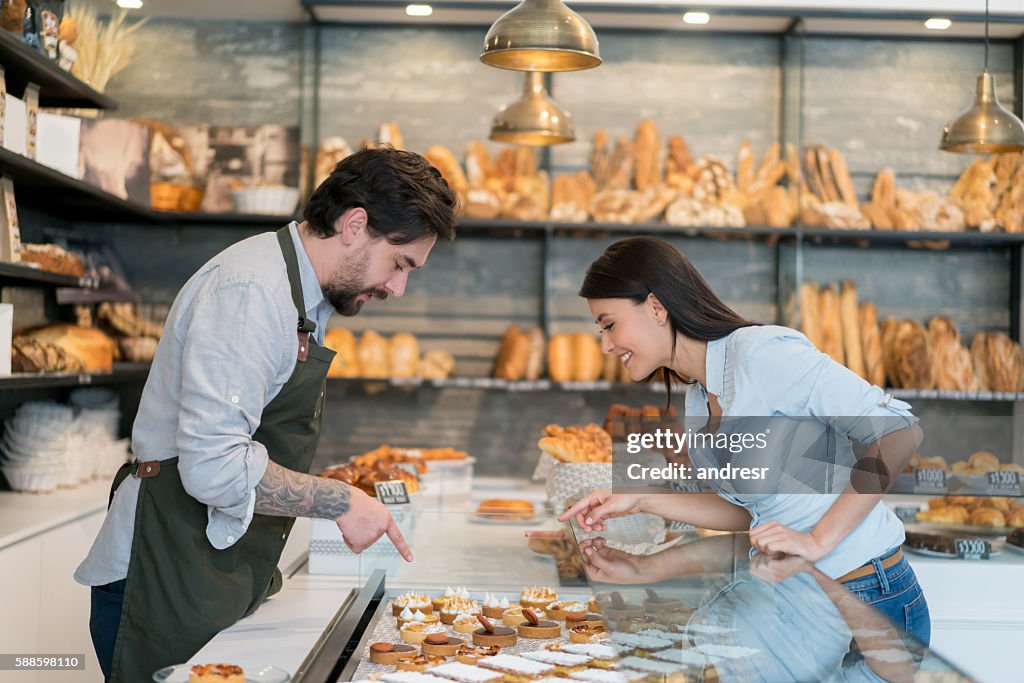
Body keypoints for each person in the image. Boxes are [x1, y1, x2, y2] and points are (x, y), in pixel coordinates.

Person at [75, 147, 458, 682]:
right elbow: (214, 467)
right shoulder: (252, 292)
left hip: (212, 565)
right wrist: (340, 499)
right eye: (399, 264)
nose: (397, 287)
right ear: (354, 225)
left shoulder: (303, 297)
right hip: (165, 571)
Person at [560, 236, 930, 645]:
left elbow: (898, 432)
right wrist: (640, 503)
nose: (606, 345)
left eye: (609, 324)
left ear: (655, 306)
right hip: (800, 599)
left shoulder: (760, 353)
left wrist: (817, 540)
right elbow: (753, 511)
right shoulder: (699, 396)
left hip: (865, 594)